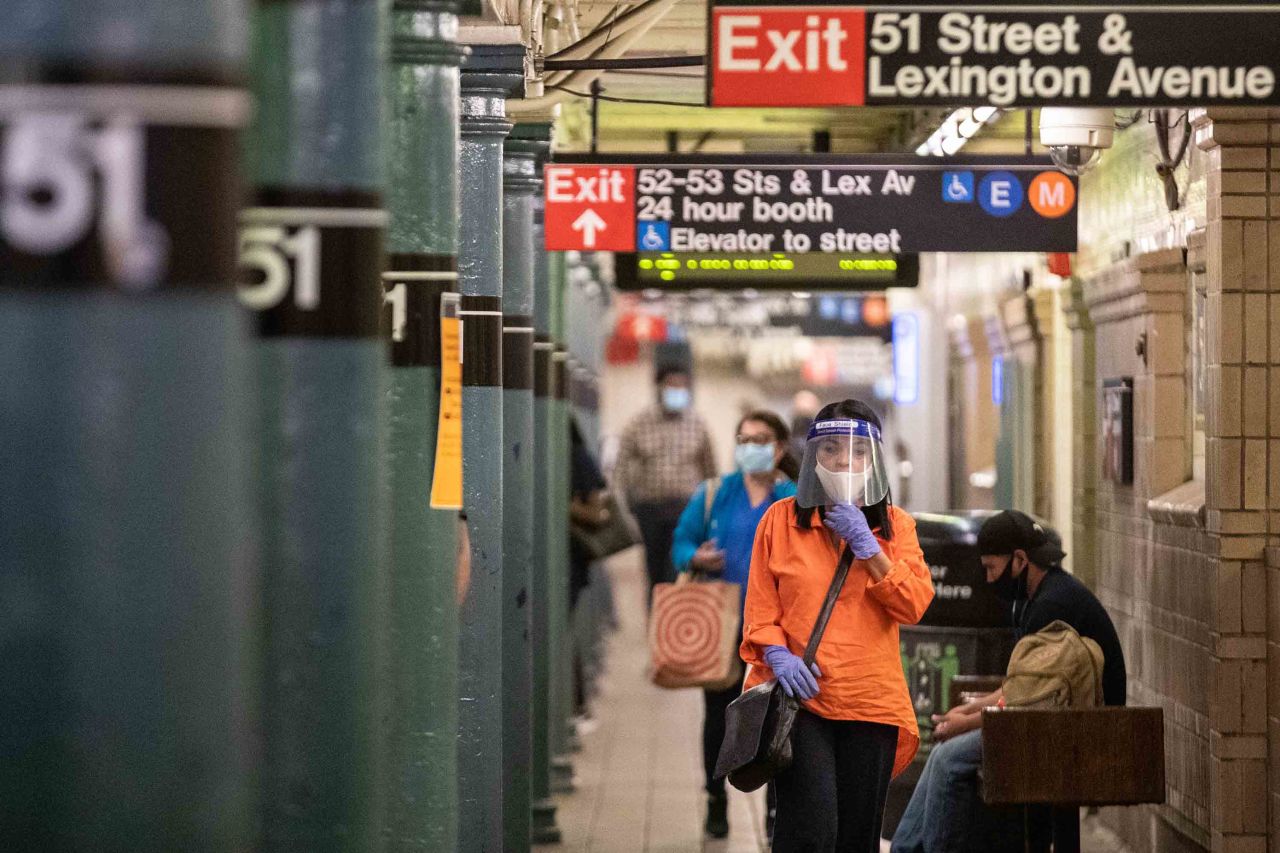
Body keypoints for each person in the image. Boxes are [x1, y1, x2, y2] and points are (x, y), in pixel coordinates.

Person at [741, 398, 935, 852]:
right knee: (811, 829)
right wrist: (777, 655)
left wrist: (869, 548)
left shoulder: (896, 527)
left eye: (859, 452)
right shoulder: (781, 521)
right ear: (812, 456)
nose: (845, 461)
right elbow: (760, 609)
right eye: (830, 449)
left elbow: (914, 604)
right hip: (802, 699)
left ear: (875, 460)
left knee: (857, 835)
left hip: (871, 701)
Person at [890, 509, 1127, 853]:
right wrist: (970, 711)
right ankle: (905, 849)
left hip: (1077, 733)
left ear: (1019, 560)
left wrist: (966, 722)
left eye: (991, 568)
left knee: (946, 758)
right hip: (1057, 721)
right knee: (945, 751)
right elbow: (1024, 687)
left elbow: (1025, 700)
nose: (988, 580)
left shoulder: (1051, 606)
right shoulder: (1040, 595)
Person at [670, 410, 799, 839]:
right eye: (743, 439)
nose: (750, 447)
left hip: (777, 631)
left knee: (777, 721)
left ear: (779, 448)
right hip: (723, 626)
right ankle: (715, 801)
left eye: (760, 439)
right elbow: (681, 542)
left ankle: (775, 810)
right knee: (719, 717)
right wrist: (695, 557)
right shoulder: (715, 494)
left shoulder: (794, 497)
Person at [614, 366, 717, 601]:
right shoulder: (639, 423)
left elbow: (710, 470)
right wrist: (622, 507)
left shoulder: (697, 424)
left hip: (687, 508)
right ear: (659, 388)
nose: (677, 391)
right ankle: (657, 624)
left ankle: (676, 622)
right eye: (672, 385)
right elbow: (621, 468)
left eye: (682, 386)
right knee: (655, 570)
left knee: (679, 567)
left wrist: (712, 509)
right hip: (650, 508)